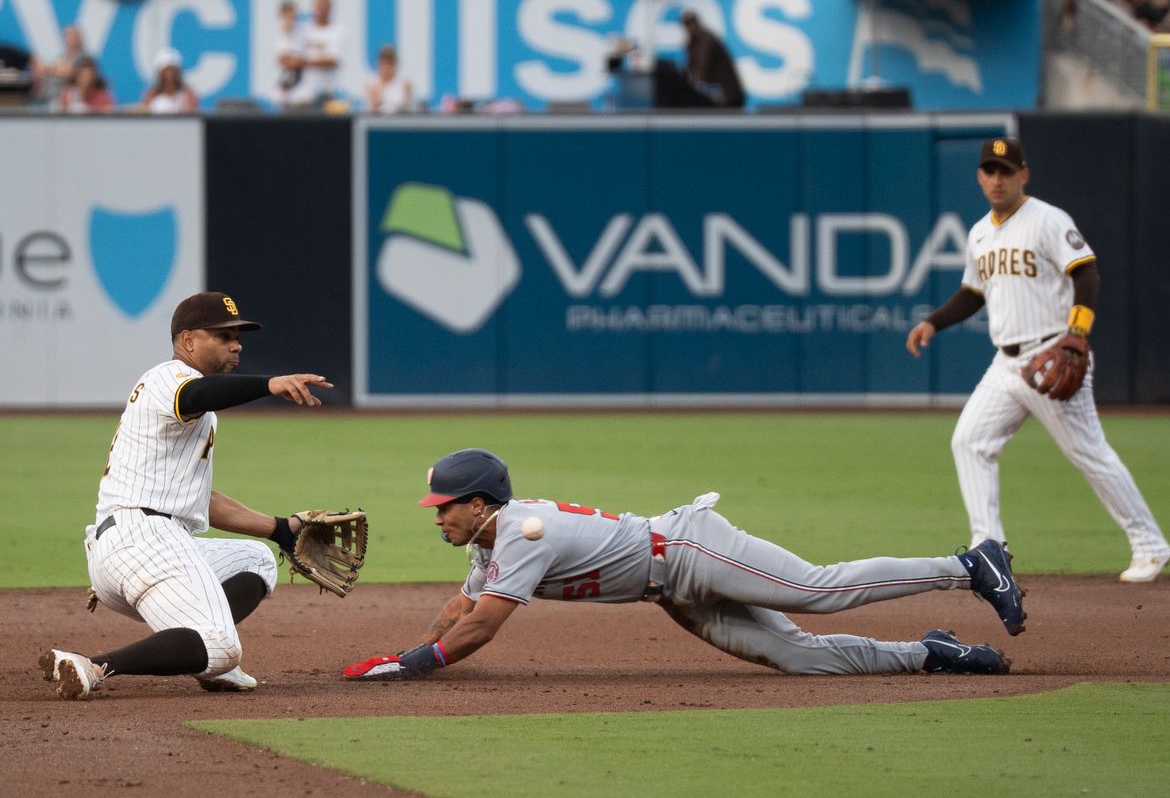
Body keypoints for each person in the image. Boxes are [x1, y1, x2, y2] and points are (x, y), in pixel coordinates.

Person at [343, 448, 1023, 682]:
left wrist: (425, 664)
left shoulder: (522, 533)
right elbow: (460, 611)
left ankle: (969, 564)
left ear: (480, 502)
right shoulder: (490, 538)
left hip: (694, 549)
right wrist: (406, 656)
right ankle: (933, 657)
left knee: (816, 591)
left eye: (444, 506)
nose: (436, 515)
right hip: (673, 590)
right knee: (801, 658)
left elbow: (482, 627)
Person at [40, 292, 334, 700]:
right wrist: (269, 383)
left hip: (137, 543)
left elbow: (198, 499)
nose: (237, 344)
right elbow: (198, 395)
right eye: (223, 335)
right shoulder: (169, 379)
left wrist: (280, 529)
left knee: (256, 561)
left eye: (238, 336)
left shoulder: (194, 407)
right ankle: (94, 665)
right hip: (144, 540)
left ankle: (207, 660)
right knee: (223, 648)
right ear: (188, 340)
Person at [905, 138, 1170, 584]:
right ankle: (988, 550)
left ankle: (1150, 544)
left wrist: (1077, 333)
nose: (997, 179)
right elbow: (974, 293)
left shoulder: (1048, 219)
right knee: (970, 441)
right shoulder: (979, 233)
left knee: (1088, 452)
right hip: (1005, 364)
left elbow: (1086, 272)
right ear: (979, 176)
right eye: (989, 171)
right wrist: (934, 322)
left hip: (1052, 353)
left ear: (1023, 174)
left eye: (1006, 171)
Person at [680, 10, 745, 108]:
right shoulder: (693, 43)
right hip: (719, 94)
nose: (688, 28)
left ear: (696, 23)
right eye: (686, 24)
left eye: (691, 23)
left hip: (728, 94)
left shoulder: (706, 39)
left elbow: (703, 65)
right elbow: (691, 68)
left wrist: (697, 90)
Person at [291, 0, 343, 109]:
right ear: (313, 6)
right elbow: (290, 60)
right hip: (304, 97)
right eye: (319, 5)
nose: (321, 9)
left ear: (330, 7)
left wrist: (304, 60)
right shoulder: (303, 29)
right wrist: (318, 60)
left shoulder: (338, 31)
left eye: (325, 5)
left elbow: (332, 61)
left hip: (327, 95)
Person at [140, 48, 198, 114]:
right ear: (160, 72)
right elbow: (145, 115)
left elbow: (192, 115)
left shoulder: (188, 94)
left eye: (173, 70)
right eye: (167, 70)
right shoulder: (151, 94)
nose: (170, 74)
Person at [364, 45, 413, 114]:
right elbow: (374, 109)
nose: (387, 68)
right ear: (378, 64)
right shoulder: (372, 84)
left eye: (390, 64)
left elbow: (406, 108)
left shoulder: (405, 84)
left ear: (395, 64)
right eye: (384, 63)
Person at [274, 0, 305, 106]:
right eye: (287, 15)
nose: (291, 19)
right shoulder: (280, 35)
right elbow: (284, 61)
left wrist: (300, 61)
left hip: (301, 87)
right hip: (285, 87)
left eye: (293, 15)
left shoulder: (302, 32)